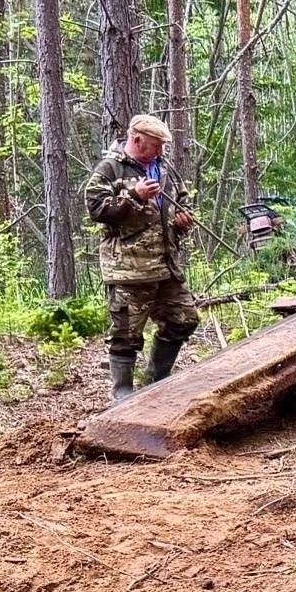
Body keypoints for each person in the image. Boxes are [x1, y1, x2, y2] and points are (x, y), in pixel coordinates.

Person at [82, 114, 199, 403]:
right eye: (155, 146)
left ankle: (156, 381)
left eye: (162, 147)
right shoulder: (110, 169)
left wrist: (183, 218)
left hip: (166, 266)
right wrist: (134, 195)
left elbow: (181, 199)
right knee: (125, 335)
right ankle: (123, 394)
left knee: (183, 319)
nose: (160, 152)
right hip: (129, 270)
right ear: (136, 140)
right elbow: (96, 209)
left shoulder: (164, 168)